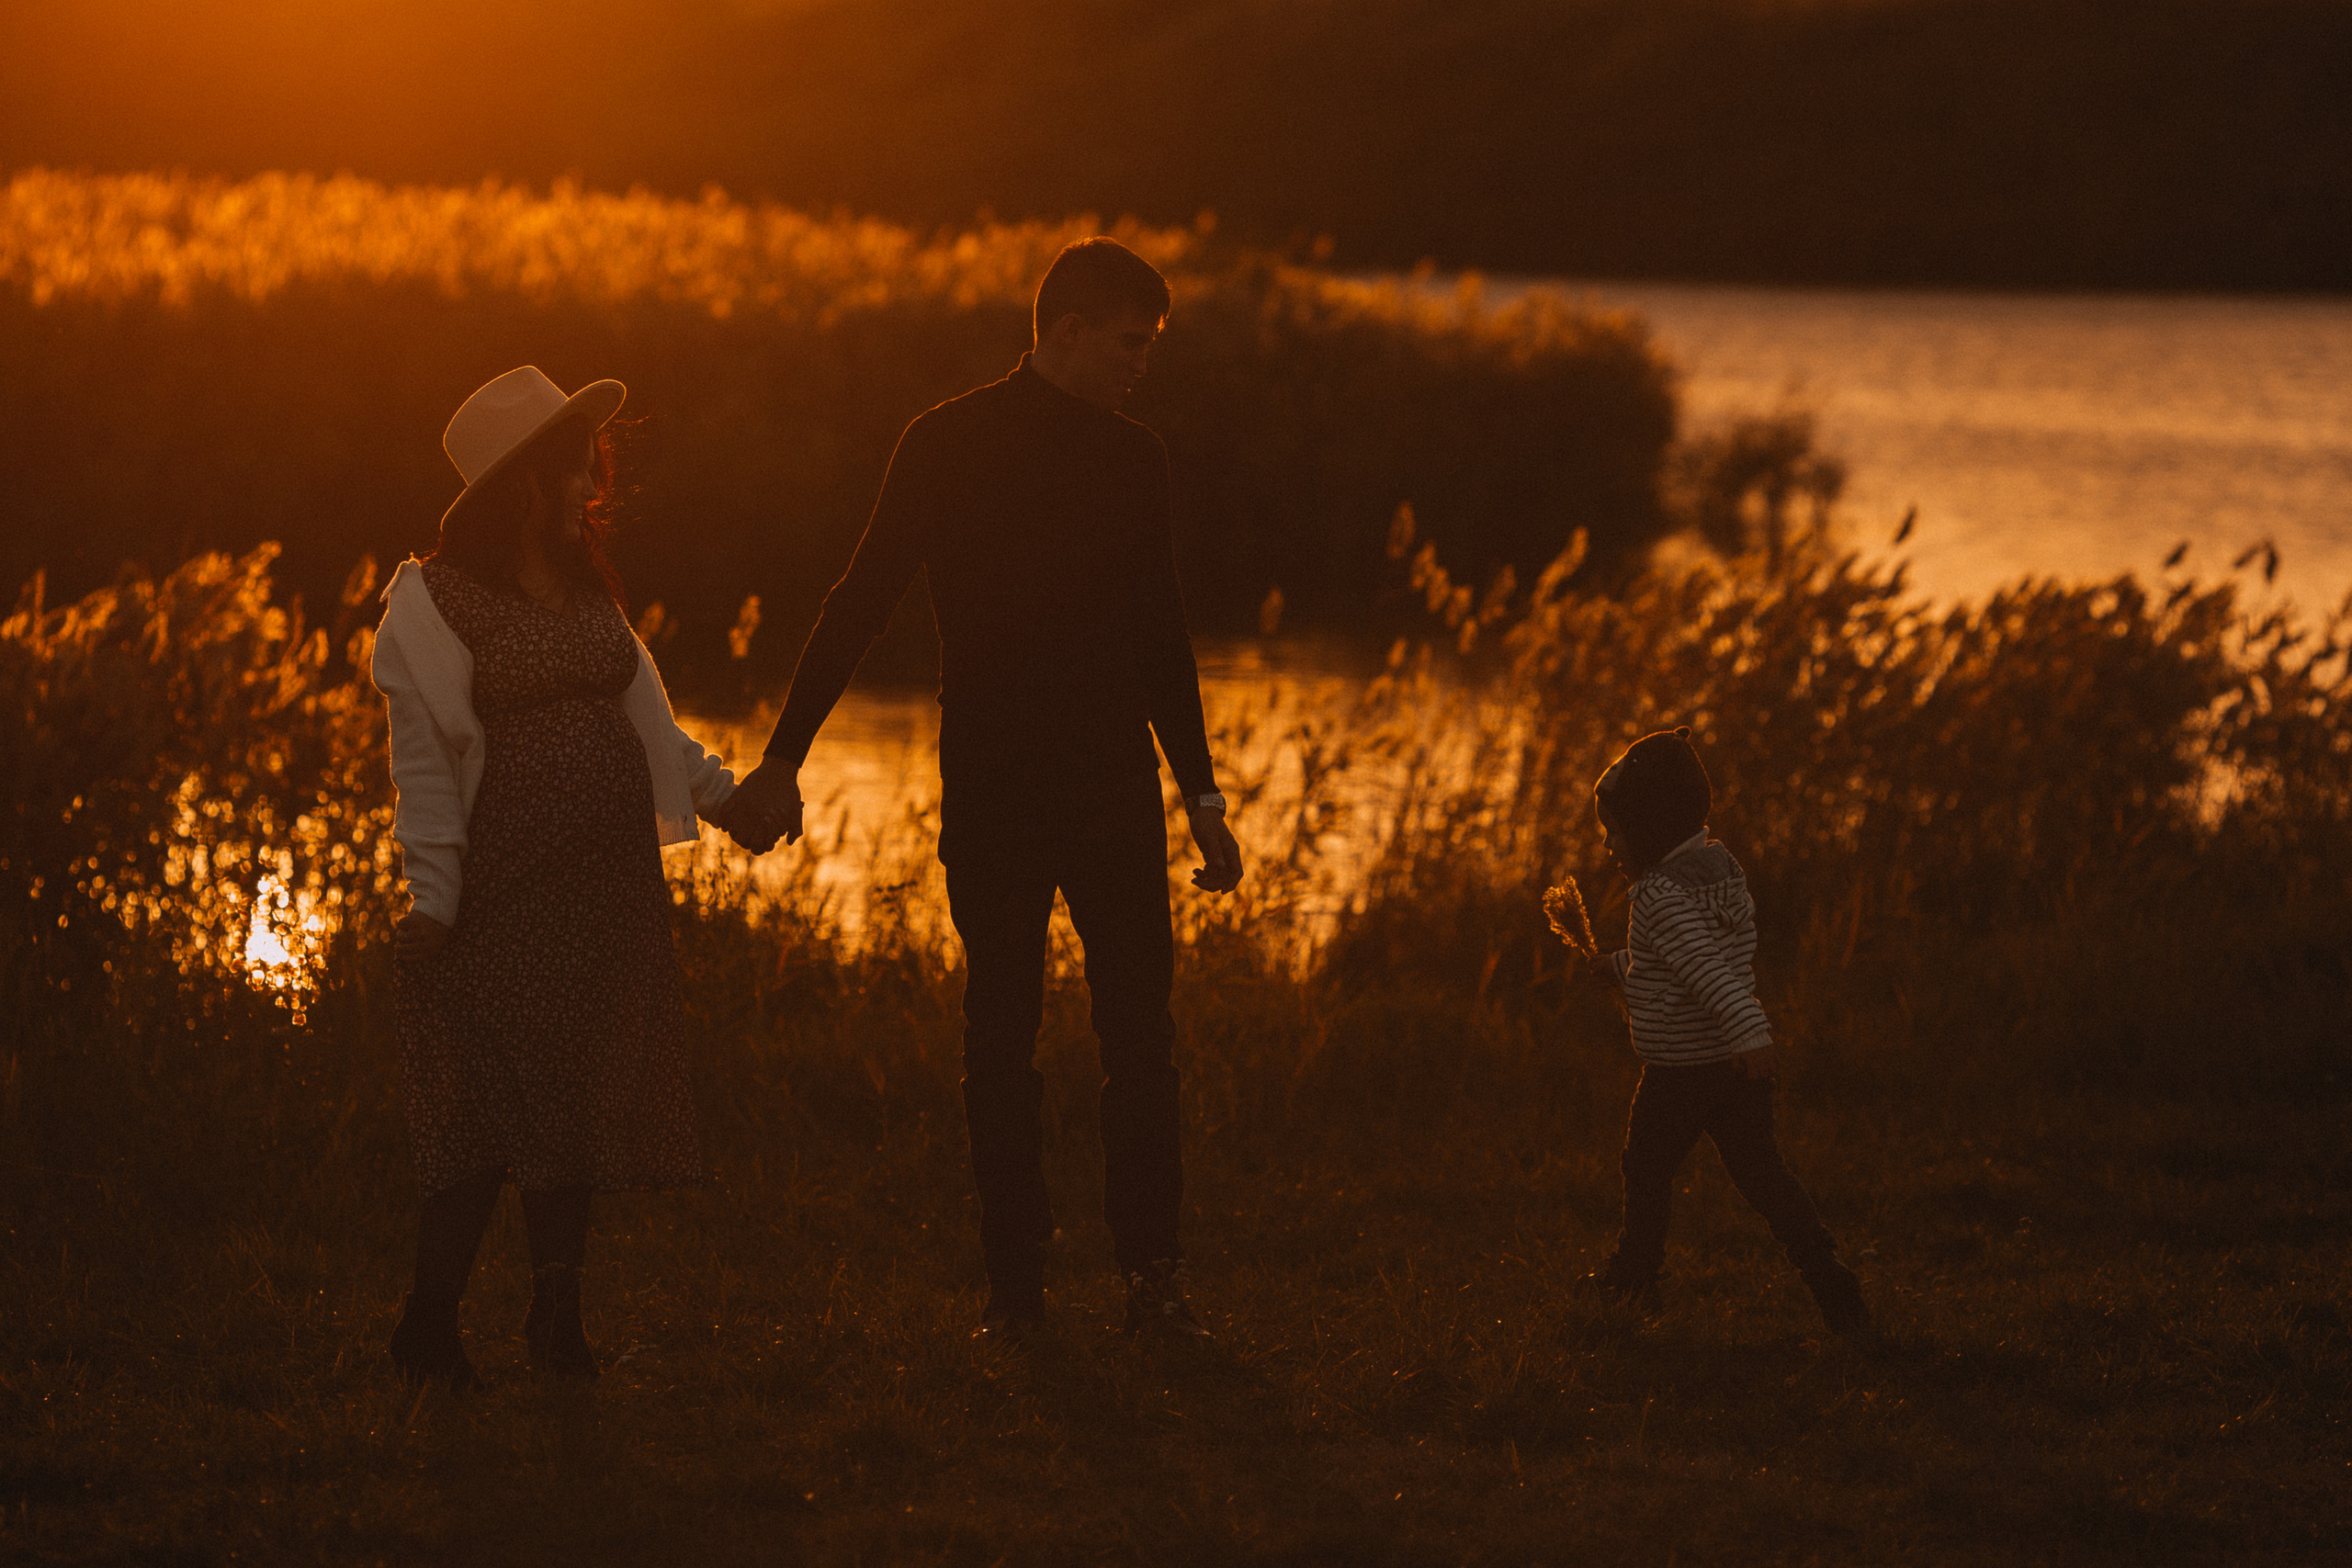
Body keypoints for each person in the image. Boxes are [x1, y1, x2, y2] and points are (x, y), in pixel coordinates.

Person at [729, 238, 1244, 1339]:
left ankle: (1154, 1282)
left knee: (1139, 1041)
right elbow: (857, 600)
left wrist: (1201, 796)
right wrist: (783, 755)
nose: (1139, 364)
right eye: (1127, 342)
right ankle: (1018, 1291)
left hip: (1114, 791)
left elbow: (1161, 632)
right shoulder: (945, 443)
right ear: (1065, 330)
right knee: (998, 1039)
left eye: (1146, 347)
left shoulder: (1133, 460)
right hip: (995, 794)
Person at [373, 366, 760, 1388]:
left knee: (575, 1105)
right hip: (504, 891)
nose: (595, 475)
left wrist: (731, 804)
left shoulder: (590, 585)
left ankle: (557, 1324)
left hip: (603, 894)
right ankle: (428, 1324)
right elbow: (423, 762)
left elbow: (653, 730)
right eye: (574, 459)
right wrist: (434, 897)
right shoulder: (435, 601)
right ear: (522, 482)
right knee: (487, 1111)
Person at [1577, 727, 1870, 1336]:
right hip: (1732, 1070)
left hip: (1682, 1071)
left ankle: (1635, 1279)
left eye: (1615, 829)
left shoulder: (1656, 893)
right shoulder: (1721, 869)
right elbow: (1685, 959)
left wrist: (1751, 1030)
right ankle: (1827, 1271)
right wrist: (1622, 965)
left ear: (1651, 828)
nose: (1609, 844)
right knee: (1763, 1173)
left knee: (1646, 1167)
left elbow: (1705, 969)